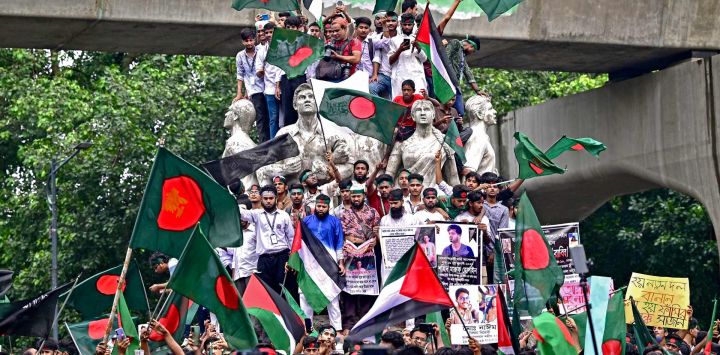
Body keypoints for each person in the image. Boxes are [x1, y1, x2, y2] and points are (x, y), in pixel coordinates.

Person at [238, 185, 295, 295]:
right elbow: (241, 213)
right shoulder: (256, 214)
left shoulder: (284, 216)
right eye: (265, 198)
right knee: (266, 293)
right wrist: (232, 198)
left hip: (282, 258)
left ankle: (283, 313)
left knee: (284, 291)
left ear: (276, 198)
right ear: (261, 199)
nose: (268, 201)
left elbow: (291, 238)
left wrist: (291, 259)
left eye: (271, 198)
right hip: (264, 260)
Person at [339, 184, 380, 332]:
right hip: (350, 253)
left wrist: (374, 239)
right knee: (350, 288)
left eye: (358, 196)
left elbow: (377, 232)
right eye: (354, 196)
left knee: (366, 286)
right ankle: (349, 322)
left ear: (363, 196)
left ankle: (365, 320)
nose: (356, 199)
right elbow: (341, 234)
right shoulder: (345, 214)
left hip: (368, 253)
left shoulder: (372, 212)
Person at [301, 194, 344, 330]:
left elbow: (339, 244)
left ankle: (336, 331)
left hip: (329, 264)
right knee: (306, 296)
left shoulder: (335, 222)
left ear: (328, 207)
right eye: (318, 206)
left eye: (323, 206)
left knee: (332, 297)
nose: (320, 209)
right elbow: (299, 243)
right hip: (309, 264)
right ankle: (307, 331)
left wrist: (341, 263)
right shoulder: (306, 221)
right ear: (314, 206)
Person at [235, 28, 270, 142]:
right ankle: (263, 143)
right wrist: (240, 93)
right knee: (260, 117)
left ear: (255, 40)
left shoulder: (261, 50)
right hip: (254, 90)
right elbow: (240, 75)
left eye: (251, 40)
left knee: (270, 116)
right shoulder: (240, 56)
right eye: (246, 41)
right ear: (242, 42)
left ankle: (270, 140)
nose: (249, 43)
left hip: (266, 86)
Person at [388, 13, 427, 99]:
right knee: (399, 104)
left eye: (409, 25)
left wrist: (418, 47)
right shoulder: (394, 40)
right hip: (400, 76)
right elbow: (390, 61)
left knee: (419, 103)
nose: (407, 27)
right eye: (405, 24)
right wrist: (400, 50)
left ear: (413, 25)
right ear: (401, 24)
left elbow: (424, 59)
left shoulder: (418, 39)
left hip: (417, 76)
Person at [256, 22, 283, 139]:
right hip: (269, 89)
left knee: (285, 117)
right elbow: (258, 70)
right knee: (273, 118)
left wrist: (278, 86)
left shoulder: (282, 47)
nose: (268, 35)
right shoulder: (261, 51)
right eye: (266, 33)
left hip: (283, 86)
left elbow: (280, 68)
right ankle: (273, 143)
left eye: (271, 32)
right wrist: (262, 72)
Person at [369, 11, 398, 99]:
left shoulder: (403, 37)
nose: (390, 23)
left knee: (395, 99)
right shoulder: (378, 37)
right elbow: (377, 57)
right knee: (371, 88)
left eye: (393, 21)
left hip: (398, 75)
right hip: (384, 74)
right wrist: (374, 74)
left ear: (398, 22)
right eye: (388, 21)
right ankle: (381, 109)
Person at [231, 199, 257, 294]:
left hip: (252, 273)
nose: (241, 216)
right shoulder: (236, 233)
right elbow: (235, 258)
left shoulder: (255, 230)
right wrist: (233, 277)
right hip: (238, 275)